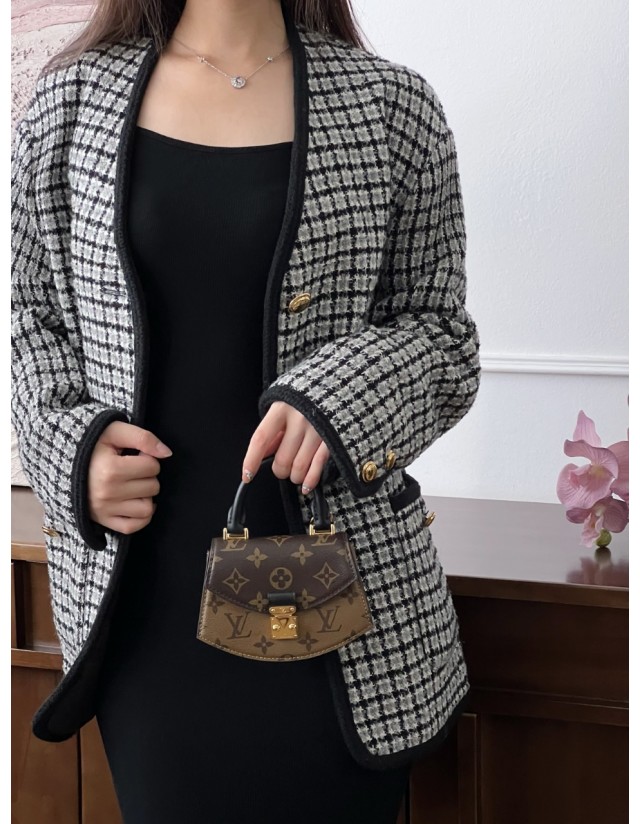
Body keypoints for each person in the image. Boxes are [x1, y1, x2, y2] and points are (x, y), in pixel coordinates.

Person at [11, 1, 481, 822]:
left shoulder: (392, 107)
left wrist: (340, 396)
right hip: (149, 610)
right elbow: (32, 318)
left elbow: (444, 337)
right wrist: (73, 453)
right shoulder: (70, 102)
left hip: (344, 614)